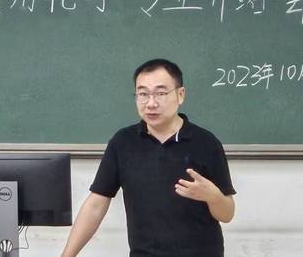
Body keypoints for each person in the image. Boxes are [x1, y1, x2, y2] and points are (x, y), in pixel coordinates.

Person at [60, 58, 236, 257]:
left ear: (180, 95)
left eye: (161, 93)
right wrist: (67, 255)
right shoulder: (123, 142)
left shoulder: (206, 143)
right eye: (143, 94)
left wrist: (213, 197)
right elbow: (96, 204)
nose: (151, 103)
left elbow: (227, 214)